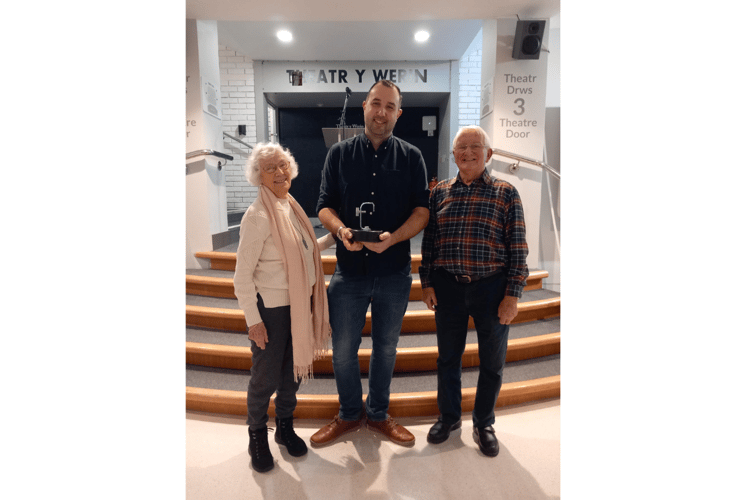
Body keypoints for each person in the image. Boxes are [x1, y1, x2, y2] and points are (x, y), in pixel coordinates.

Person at [311, 80, 430, 447]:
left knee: (386, 348)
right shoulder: (339, 155)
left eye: (389, 106)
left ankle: (377, 414)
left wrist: (393, 239)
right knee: (343, 350)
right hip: (349, 272)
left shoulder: (412, 157)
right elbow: (324, 206)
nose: (381, 112)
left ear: (399, 112)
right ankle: (349, 414)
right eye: (375, 104)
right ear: (364, 106)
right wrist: (342, 228)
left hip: (394, 271)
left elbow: (422, 211)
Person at [419, 126, 529, 457]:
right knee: (447, 359)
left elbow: (518, 248)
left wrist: (513, 294)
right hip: (448, 287)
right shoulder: (439, 193)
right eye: (461, 148)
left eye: (475, 147)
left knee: (492, 362)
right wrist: (426, 282)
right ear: (453, 156)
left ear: (489, 154)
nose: (467, 152)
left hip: (492, 289)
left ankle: (484, 423)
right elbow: (430, 243)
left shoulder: (506, 192)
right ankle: (449, 417)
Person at [234, 142, 332, 473]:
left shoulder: (290, 207)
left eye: (283, 165)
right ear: (257, 176)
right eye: (270, 168)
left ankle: (285, 426)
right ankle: (258, 433)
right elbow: (242, 276)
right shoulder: (258, 216)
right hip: (271, 312)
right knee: (264, 378)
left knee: (292, 375)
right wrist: (253, 321)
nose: (279, 173)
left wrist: (333, 238)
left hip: (300, 307)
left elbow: (304, 254)